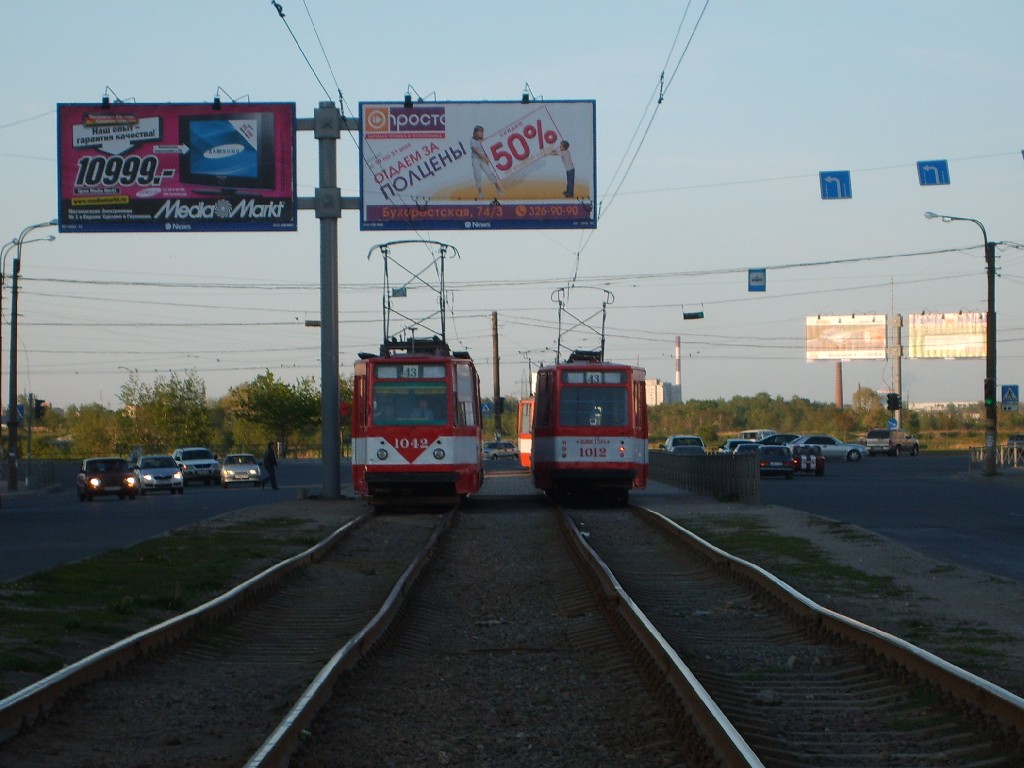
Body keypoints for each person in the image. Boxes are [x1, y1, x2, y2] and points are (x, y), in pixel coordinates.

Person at [470, 125, 503, 199]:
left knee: (489, 173)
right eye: (480, 132)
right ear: (475, 132)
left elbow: (488, 149)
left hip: (483, 159)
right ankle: (480, 191)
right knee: (477, 175)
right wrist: (486, 158)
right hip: (476, 159)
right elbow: (477, 151)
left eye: (482, 132)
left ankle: (498, 188)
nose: (481, 133)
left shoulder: (483, 140)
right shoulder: (472, 140)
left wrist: (488, 158)